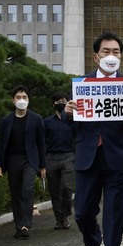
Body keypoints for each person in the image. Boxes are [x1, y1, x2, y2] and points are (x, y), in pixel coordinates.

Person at [64, 31, 123, 246]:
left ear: (121, 56)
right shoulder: (81, 84)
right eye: (106, 52)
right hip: (88, 156)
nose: (111, 56)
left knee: (115, 215)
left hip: (116, 158)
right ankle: (92, 243)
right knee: (83, 213)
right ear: (95, 57)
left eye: (116, 52)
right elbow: (71, 121)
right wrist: (68, 112)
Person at [0, 86, 46, 240]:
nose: (21, 100)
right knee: (15, 192)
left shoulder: (36, 119)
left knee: (27, 188)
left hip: (30, 160)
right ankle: (20, 226)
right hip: (12, 160)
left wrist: (42, 166)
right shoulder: (6, 121)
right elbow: (1, 144)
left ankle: (26, 223)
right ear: (13, 100)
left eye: (24, 96)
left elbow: (41, 143)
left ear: (28, 100)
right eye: (18, 97)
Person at [43, 91, 75, 230]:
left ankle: (66, 215)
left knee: (66, 188)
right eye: (58, 101)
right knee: (54, 190)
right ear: (53, 104)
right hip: (51, 157)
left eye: (63, 100)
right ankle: (59, 219)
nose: (60, 103)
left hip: (68, 156)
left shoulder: (73, 121)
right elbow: (42, 141)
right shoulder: (47, 122)